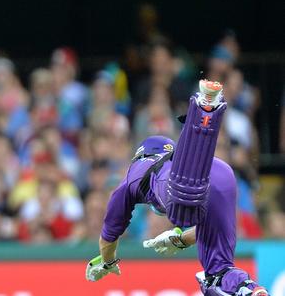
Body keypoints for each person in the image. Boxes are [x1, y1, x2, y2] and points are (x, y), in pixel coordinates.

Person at [85, 80, 269, 296]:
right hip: (224, 175)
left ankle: (205, 107)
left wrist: (106, 262)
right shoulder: (169, 158)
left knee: (182, 209)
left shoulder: (132, 177)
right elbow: (207, 231)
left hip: (181, 182)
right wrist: (180, 239)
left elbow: (108, 235)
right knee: (218, 269)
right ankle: (249, 289)